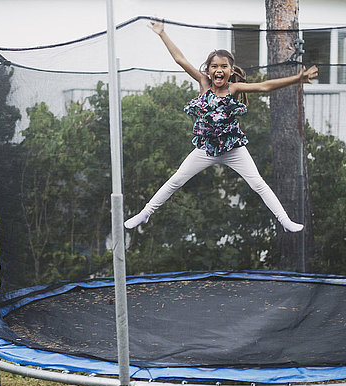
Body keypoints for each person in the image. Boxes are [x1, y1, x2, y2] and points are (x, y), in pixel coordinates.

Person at [124, 19, 318, 232]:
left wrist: (297, 79)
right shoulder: (204, 84)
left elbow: (264, 86)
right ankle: (145, 214)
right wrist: (162, 33)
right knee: (176, 179)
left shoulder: (234, 88)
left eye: (223, 66)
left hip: (233, 149)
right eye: (214, 66)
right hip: (206, 149)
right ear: (208, 70)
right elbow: (180, 59)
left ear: (230, 69)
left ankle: (285, 221)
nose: (219, 70)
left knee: (258, 184)